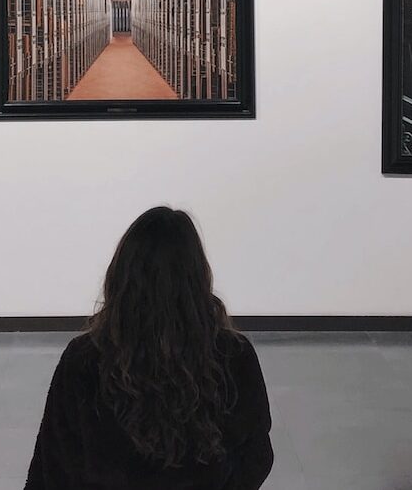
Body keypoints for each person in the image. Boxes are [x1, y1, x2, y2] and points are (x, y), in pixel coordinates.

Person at [25, 207, 273, 489]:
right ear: (197, 279)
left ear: (119, 277)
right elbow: (256, 457)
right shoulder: (235, 358)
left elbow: (52, 468)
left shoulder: (83, 361)